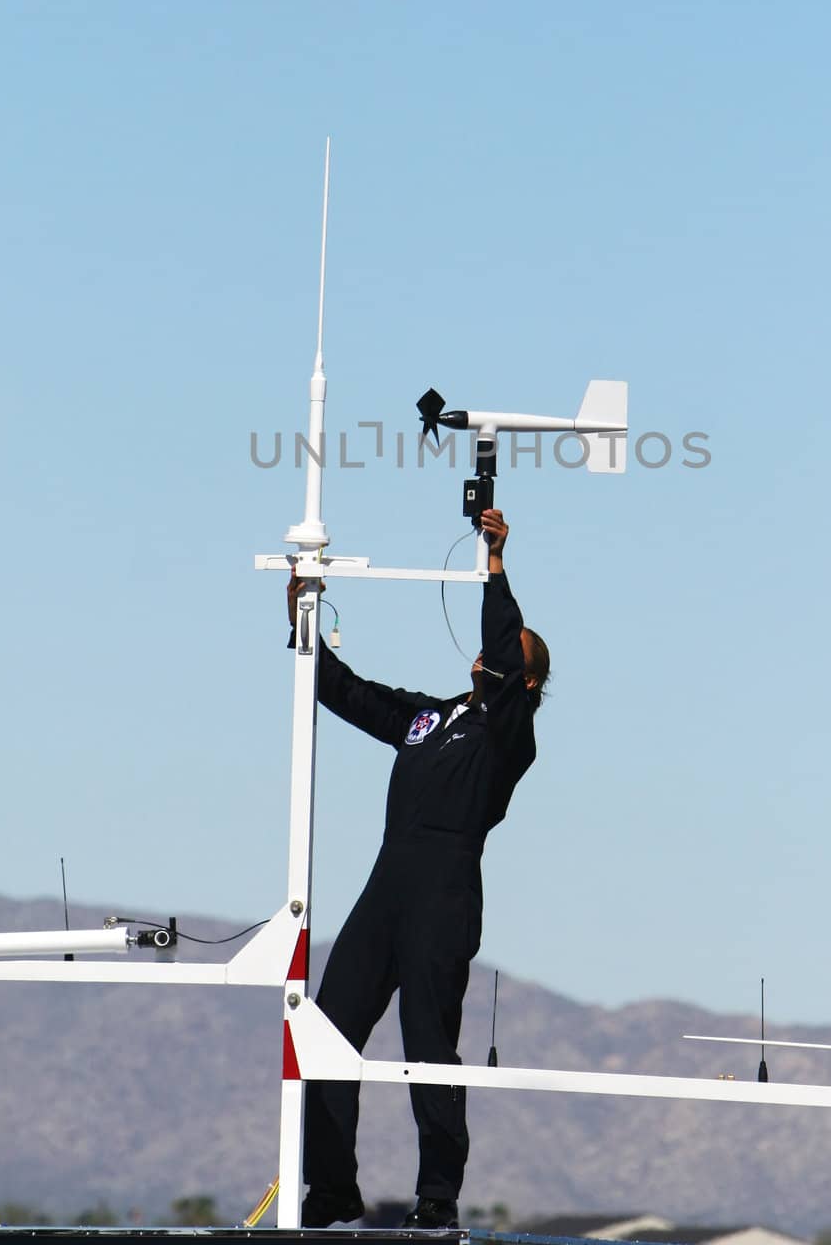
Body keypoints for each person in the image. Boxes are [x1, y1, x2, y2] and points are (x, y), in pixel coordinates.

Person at [286, 507, 550, 1231]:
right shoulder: (429, 719)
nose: (488, 656)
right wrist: (301, 616)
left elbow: (501, 646)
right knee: (329, 1030)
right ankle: (332, 1187)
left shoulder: (509, 734)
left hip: (444, 889)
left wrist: (493, 566)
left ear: (524, 682)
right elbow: (343, 692)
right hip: (386, 886)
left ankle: (436, 1194)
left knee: (428, 1042)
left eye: (506, 657)